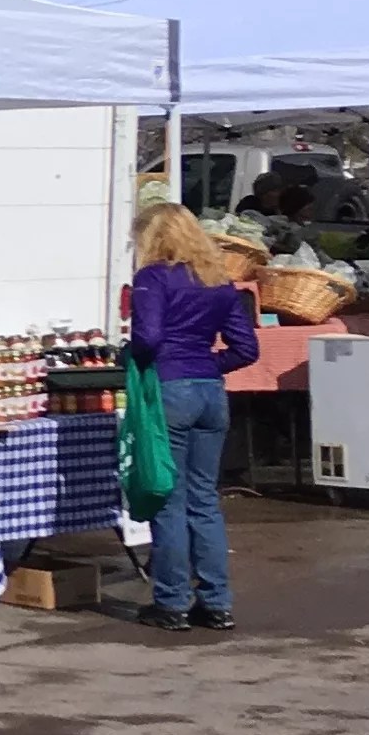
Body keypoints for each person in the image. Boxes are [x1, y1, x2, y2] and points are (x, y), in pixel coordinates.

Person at [128, 202, 261, 634]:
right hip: (210, 392)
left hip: (170, 390)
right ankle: (216, 603)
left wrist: (133, 357)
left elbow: (147, 338)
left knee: (168, 499)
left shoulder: (153, 277)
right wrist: (207, 365)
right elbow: (247, 349)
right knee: (204, 500)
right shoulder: (218, 280)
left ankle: (171, 603)